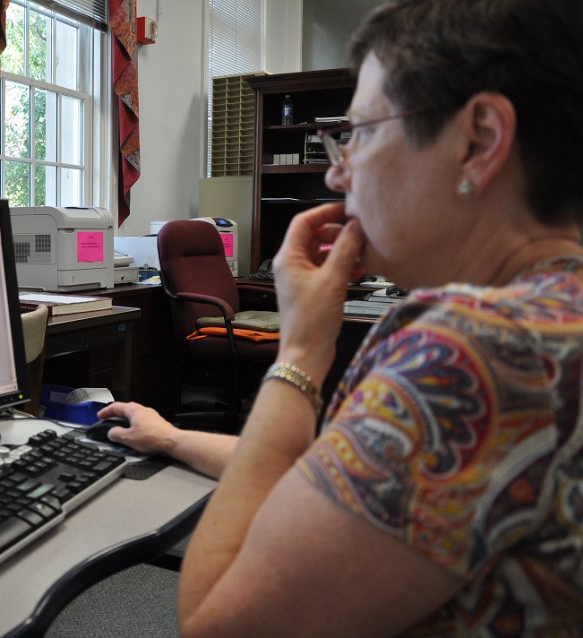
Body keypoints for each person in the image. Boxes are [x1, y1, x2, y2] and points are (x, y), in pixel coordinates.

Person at [97, 0, 583, 635]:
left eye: (360, 133)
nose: (335, 173)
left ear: (479, 142)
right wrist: (172, 438)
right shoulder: (552, 320)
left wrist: (301, 350)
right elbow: (342, 477)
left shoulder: (474, 353)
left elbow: (217, 625)